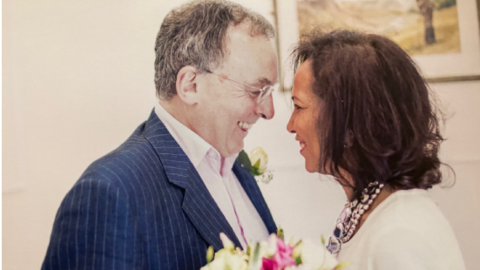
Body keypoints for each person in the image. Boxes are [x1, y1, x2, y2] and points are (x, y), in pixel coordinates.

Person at [41, 1, 278, 269]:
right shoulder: (110, 194)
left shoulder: (236, 165)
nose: (269, 111)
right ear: (190, 85)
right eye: (257, 90)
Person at [287, 30, 466, 270]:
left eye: (299, 106)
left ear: (349, 123)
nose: (290, 125)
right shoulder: (371, 213)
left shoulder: (401, 234)